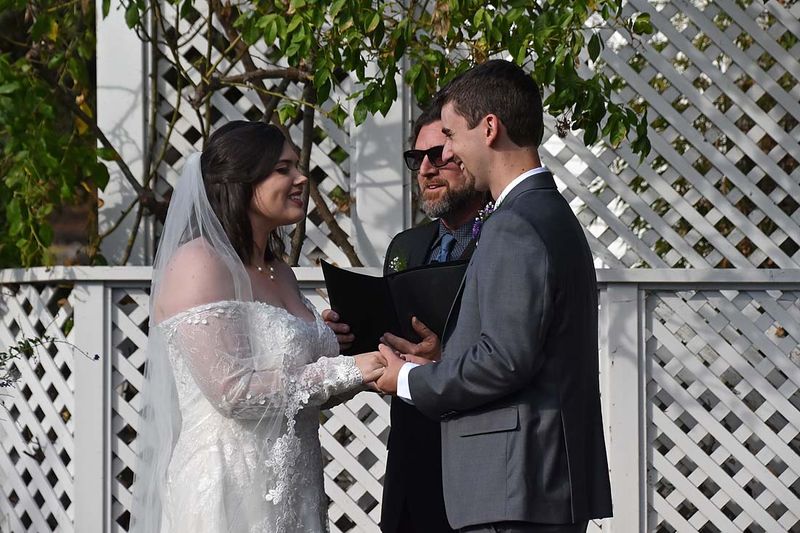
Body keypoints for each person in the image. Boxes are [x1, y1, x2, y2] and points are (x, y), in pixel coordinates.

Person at [374, 60, 613, 533]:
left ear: (488, 128)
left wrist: (408, 381)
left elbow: (503, 359)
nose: (451, 153)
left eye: (452, 135)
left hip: (513, 487)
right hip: (532, 483)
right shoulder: (550, 214)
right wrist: (440, 362)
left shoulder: (515, 224)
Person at [130, 120, 385, 533]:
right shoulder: (199, 264)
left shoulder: (278, 271)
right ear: (241, 181)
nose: (302, 177)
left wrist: (360, 363)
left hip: (294, 481)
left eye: (297, 166)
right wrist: (346, 369)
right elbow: (234, 392)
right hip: (231, 483)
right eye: (283, 169)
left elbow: (305, 394)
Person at [325, 98, 486, 533]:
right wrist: (347, 336)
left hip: (480, 461)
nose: (426, 169)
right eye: (417, 158)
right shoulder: (405, 246)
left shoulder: (504, 238)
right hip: (411, 457)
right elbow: (392, 331)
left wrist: (444, 356)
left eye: (439, 156)